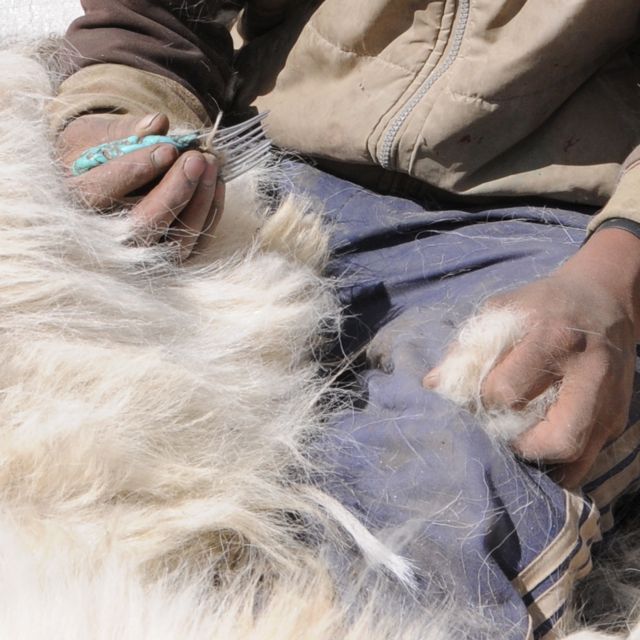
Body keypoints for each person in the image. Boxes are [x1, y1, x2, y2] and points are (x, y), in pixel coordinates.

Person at [51, 1, 640, 636]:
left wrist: (619, 272)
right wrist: (113, 113)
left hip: (567, 239)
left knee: (438, 490)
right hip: (254, 162)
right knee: (74, 450)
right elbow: (153, 19)